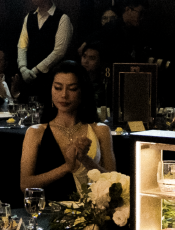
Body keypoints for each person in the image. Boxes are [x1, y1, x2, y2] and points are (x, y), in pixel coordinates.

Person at [20, 61, 114, 202]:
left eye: (72, 89)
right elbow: (25, 185)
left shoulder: (100, 130)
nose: (64, 95)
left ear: (83, 91)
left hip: (93, 210)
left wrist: (85, 160)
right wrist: (67, 167)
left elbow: (115, 182)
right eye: (58, 88)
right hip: (50, 211)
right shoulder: (35, 132)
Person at [16, 0, 73, 94]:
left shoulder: (62, 18)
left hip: (50, 77)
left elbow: (59, 52)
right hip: (27, 76)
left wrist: (36, 70)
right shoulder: (29, 17)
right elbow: (22, 45)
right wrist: (23, 68)